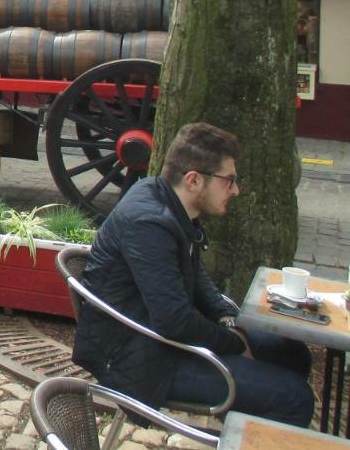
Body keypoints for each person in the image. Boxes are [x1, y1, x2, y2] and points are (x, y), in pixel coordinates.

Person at [72, 123, 313, 427]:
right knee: (294, 398)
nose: (236, 190)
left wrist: (228, 319)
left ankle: (242, 431)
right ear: (194, 180)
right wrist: (234, 344)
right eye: (230, 181)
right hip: (139, 359)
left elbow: (195, 274)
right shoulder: (150, 224)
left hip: (158, 340)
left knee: (293, 354)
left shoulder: (165, 200)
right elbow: (173, 321)